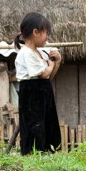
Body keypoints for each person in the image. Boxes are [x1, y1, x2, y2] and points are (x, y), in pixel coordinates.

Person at [14, 12, 62, 155]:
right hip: (32, 93)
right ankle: (34, 154)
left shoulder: (38, 53)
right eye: (46, 33)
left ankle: (49, 151)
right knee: (35, 125)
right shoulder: (26, 53)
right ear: (36, 32)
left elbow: (48, 77)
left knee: (48, 123)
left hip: (43, 91)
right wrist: (51, 64)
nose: (47, 37)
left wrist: (56, 62)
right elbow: (45, 73)